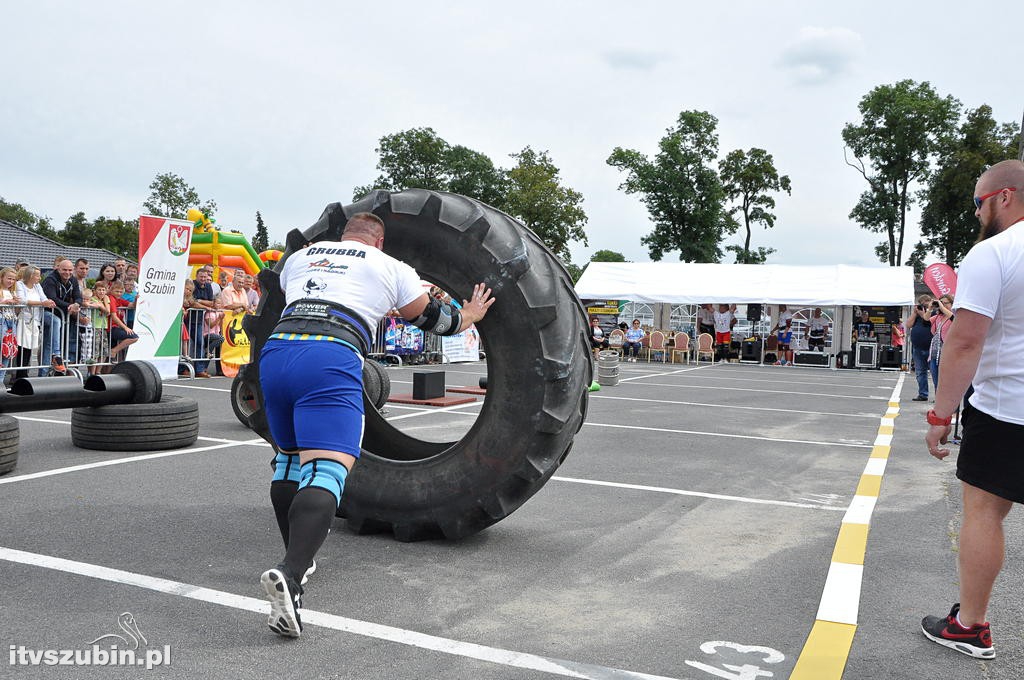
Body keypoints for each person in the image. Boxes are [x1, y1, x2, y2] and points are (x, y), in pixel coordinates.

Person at [257, 212, 495, 638]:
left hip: (276, 353)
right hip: (330, 354)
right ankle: (290, 576)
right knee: (328, 468)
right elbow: (432, 320)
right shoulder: (390, 266)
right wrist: (470, 315)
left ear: (344, 235)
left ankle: (297, 558)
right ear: (379, 241)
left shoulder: (300, 257)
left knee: (289, 462)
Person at [921, 159, 1024, 660]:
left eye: (978, 201)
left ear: (1004, 197)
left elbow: (964, 343)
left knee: (984, 511)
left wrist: (940, 416)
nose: (977, 211)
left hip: (1009, 407)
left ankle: (971, 624)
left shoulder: (994, 253)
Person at [41, 257, 82, 372]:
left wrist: (76, 304)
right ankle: (43, 374)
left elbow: (79, 296)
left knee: (62, 343)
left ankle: (57, 371)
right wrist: (69, 305)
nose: (67, 273)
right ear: (58, 269)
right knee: (49, 344)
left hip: (63, 315)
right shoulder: (50, 280)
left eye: (70, 270)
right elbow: (52, 298)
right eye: (64, 270)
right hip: (48, 313)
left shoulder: (73, 280)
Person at [13, 266, 55, 380]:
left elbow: (43, 298)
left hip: (35, 320)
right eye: (37, 275)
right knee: (22, 347)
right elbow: (23, 300)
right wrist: (42, 303)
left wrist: (48, 302)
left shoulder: (37, 286)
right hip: (23, 319)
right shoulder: (20, 285)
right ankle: (19, 374)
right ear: (30, 275)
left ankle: (24, 373)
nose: (39, 277)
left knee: (30, 347)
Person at [190, 267, 223, 377]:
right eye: (201, 276)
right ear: (197, 276)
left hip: (199, 320)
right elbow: (192, 302)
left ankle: (200, 369)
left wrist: (200, 302)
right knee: (187, 345)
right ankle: (185, 368)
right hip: (189, 318)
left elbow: (211, 302)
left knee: (200, 343)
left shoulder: (209, 286)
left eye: (205, 277)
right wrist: (205, 306)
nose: (203, 279)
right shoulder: (193, 284)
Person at [905, 294, 935, 402]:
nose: (924, 307)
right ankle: (923, 394)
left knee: (935, 373)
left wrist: (923, 314)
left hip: (931, 348)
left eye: (927, 304)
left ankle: (938, 396)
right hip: (918, 347)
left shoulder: (934, 312)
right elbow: (908, 325)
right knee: (920, 372)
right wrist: (914, 313)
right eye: (922, 305)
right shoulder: (917, 314)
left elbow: (930, 321)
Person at [928, 294, 954, 389]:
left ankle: (949, 403)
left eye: (945, 303)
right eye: (941, 302)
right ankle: (939, 403)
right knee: (936, 383)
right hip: (935, 353)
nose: (942, 305)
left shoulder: (955, 315)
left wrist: (942, 307)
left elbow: (953, 318)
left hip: (948, 355)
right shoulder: (938, 316)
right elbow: (925, 321)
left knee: (947, 384)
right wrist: (930, 309)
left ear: (952, 304)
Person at [0, 267, 21, 386]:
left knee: (8, 351)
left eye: (13, 279)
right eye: (9, 278)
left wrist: (17, 303)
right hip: (1, 320)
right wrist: (5, 302)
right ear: (2, 277)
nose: (11, 281)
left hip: (12, 321)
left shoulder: (13, 292)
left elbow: (17, 311)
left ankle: (1, 382)